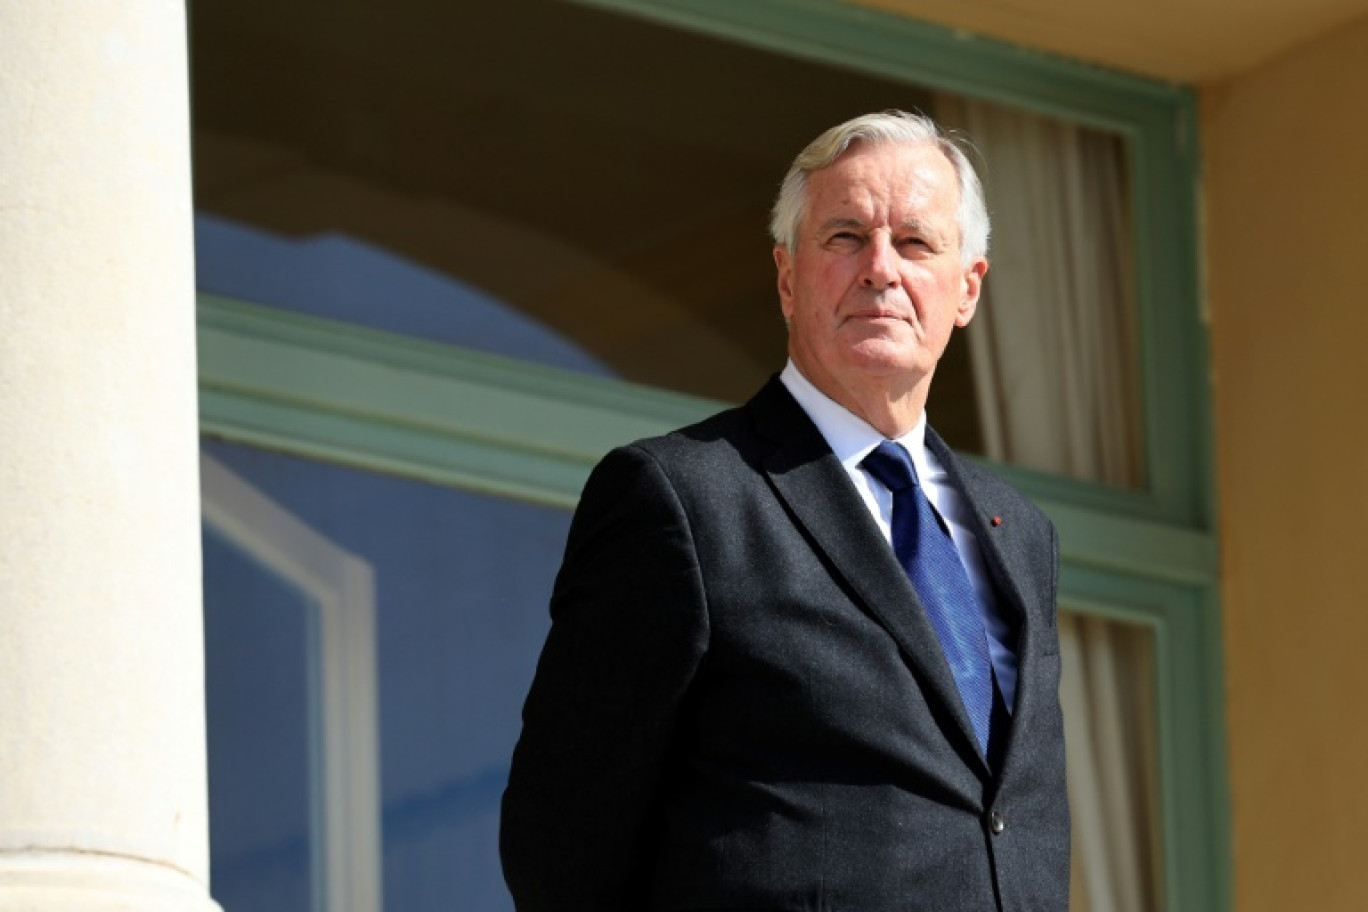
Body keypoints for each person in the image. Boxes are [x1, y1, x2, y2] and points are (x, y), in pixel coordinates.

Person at [500, 110, 1069, 911]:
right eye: (844, 237)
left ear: (967, 288)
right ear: (787, 279)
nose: (880, 268)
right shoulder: (685, 496)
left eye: (915, 242)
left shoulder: (1021, 535)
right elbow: (560, 841)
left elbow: (1005, 816)